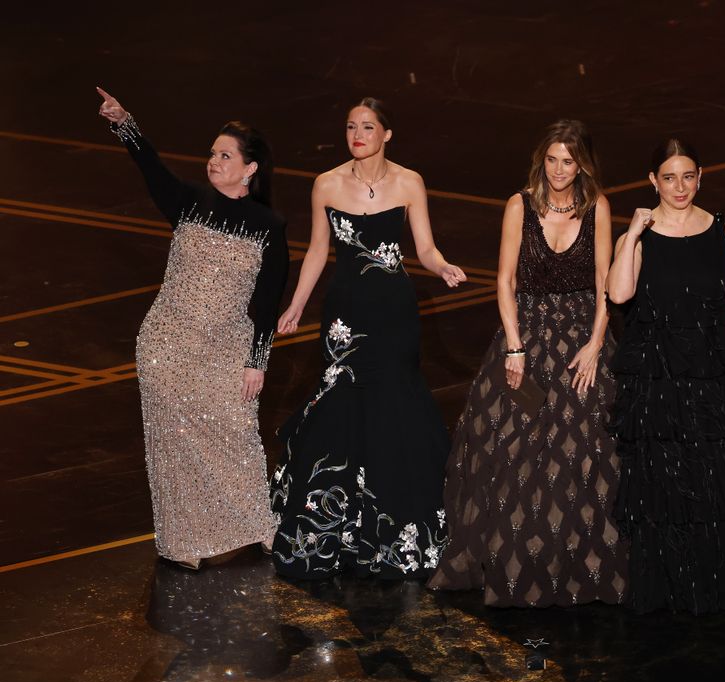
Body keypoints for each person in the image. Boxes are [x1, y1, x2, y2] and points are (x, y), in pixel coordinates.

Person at [429, 120, 627, 607]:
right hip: (529, 336)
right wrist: (514, 347)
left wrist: (597, 344)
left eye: (570, 162)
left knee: (585, 450)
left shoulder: (597, 207)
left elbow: (605, 283)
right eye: (553, 160)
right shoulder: (519, 205)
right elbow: (504, 281)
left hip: (582, 338)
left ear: (583, 165)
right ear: (542, 161)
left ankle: (579, 564)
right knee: (515, 448)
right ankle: (520, 561)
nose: (560, 171)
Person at [270, 98, 466, 580]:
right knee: (344, 402)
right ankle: (340, 522)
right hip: (347, 315)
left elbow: (424, 247)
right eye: (351, 127)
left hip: (396, 313)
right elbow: (318, 250)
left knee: (394, 403)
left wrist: (441, 267)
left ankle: (395, 526)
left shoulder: (409, 182)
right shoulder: (327, 184)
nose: (357, 135)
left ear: (387, 133)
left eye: (368, 127)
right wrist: (295, 305)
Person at [96, 87, 287, 571]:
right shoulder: (188, 202)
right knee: (175, 442)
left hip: (227, 349)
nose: (213, 161)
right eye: (211, 153)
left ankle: (253, 525)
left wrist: (257, 361)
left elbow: (268, 302)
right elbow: (152, 169)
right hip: (167, 344)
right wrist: (125, 123)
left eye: (225, 155)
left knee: (237, 434)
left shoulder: (268, 225)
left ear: (250, 169)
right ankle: (187, 539)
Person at [606, 139, 725, 614]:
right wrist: (634, 229)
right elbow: (620, 294)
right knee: (666, 483)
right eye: (669, 177)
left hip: (712, 372)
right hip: (659, 380)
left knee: (716, 480)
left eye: (688, 176)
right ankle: (673, 587)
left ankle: (720, 581)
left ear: (700, 177)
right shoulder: (639, 238)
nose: (679, 186)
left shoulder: (720, 230)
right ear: (653, 182)